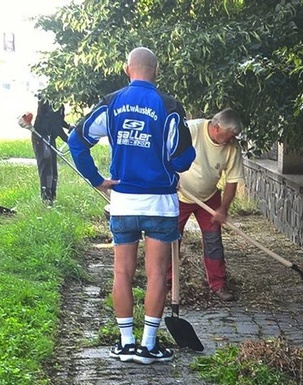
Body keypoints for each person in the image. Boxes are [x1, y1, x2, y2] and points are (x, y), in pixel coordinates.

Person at [68, 47, 195, 365]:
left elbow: (77, 140)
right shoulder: (169, 106)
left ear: (128, 70)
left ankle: (126, 343)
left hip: (123, 202)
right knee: (156, 275)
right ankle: (149, 345)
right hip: (160, 204)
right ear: (157, 70)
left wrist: (96, 179)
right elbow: (181, 159)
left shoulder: (111, 103)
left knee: (122, 273)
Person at [177, 109, 245, 301]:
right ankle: (167, 285)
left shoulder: (232, 147)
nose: (232, 140)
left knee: (213, 241)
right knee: (171, 241)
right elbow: (165, 152)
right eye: (230, 135)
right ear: (216, 128)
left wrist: (223, 209)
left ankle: (218, 284)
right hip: (179, 195)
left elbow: (232, 181)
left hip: (209, 197)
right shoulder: (190, 130)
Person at [28, 96, 71, 204]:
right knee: (46, 167)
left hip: (50, 137)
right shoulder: (46, 100)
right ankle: (46, 198)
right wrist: (68, 140)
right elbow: (54, 124)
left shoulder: (60, 104)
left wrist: (69, 126)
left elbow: (59, 121)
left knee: (53, 167)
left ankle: (52, 196)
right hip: (41, 137)